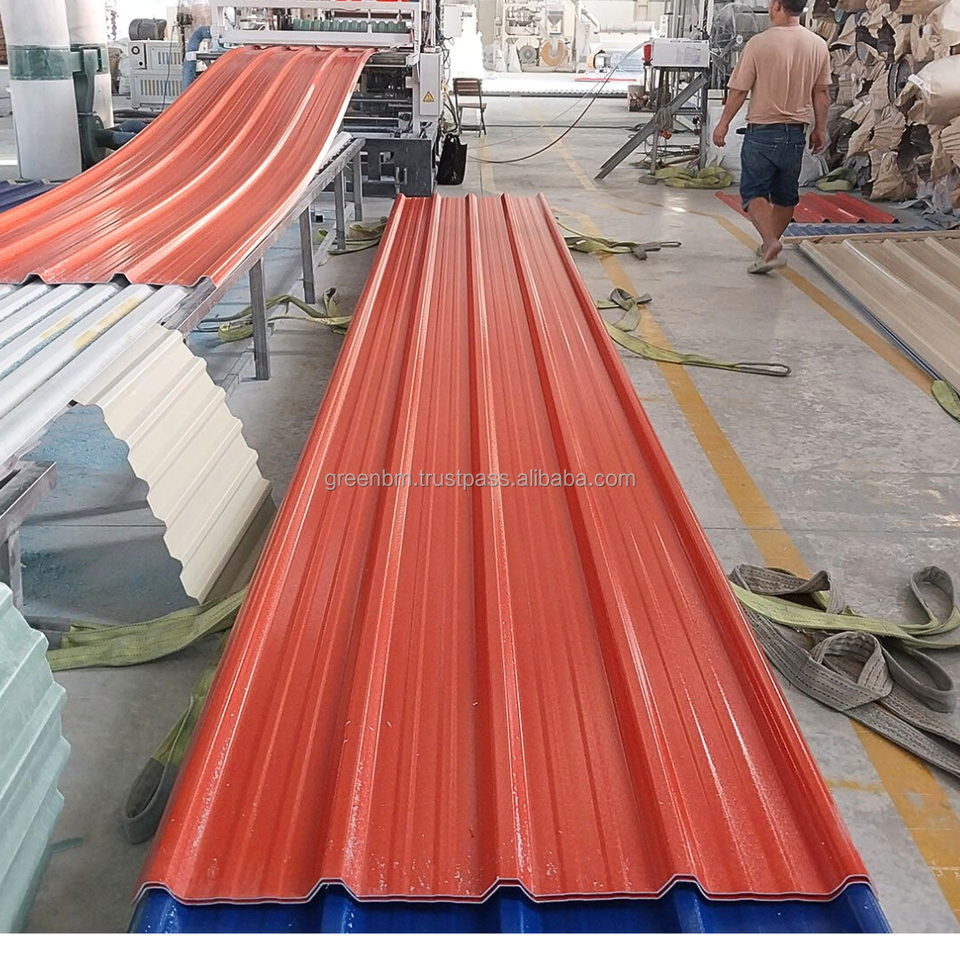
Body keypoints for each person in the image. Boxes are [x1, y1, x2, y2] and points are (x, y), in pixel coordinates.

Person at [712, 0, 831, 274]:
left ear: (777, 5)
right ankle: (770, 246)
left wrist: (723, 123)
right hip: (796, 134)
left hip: (763, 133)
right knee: (786, 197)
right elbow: (822, 92)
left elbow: (739, 90)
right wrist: (820, 129)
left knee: (754, 192)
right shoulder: (818, 45)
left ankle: (769, 242)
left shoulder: (758, 43)